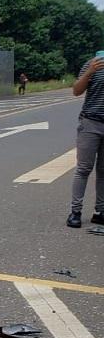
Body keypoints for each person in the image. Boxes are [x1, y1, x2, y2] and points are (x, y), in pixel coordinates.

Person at [66, 54, 104, 228]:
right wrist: (90, 71)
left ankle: (100, 212)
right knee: (83, 169)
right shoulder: (93, 63)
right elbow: (76, 91)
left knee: (103, 171)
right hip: (90, 123)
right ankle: (75, 212)